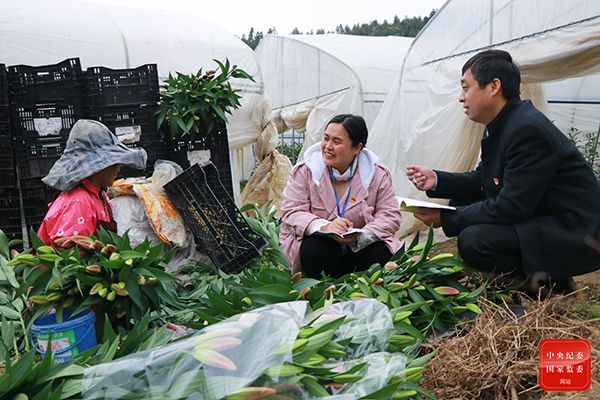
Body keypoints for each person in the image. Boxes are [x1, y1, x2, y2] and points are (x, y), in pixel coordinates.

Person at [406, 50, 600, 292]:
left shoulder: (526, 129)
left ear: (493, 86)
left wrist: (446, 218)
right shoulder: (505, 123)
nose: (461, 97)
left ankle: (552, 288)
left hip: (573, 229)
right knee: (462, 203)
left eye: (466, 87)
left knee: (474, 241)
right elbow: (483, 179)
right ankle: (551, 282)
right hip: (544, 214)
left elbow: (512, 206)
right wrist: (436, 179)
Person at [280, 114, 402, 278]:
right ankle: (321, 289)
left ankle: (364, 291)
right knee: (314, 247)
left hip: (359, 249)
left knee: (379, 251)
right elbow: (292, 211)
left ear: (357, 148)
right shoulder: (304, 172)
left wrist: (362, 236)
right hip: (321, 248)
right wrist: (323, 227)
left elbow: (390, 215)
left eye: (336, 141)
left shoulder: (377, 175)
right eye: (326, 138)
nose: (328, 146)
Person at [38, 119, 147, 245]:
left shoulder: (100, 194)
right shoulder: (79, 202)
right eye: (114, 163)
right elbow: (70, 254)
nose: (119, 168)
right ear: (99, 167)